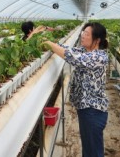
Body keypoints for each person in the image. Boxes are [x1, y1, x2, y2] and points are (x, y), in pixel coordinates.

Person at [43, 22, 109, 157]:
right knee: (88, 147)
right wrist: (45, 38)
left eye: (86, 34)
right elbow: (66, 48)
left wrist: (49, 43)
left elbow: (73, 58)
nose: (82, 36)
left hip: (93, 110)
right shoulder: (84, 50)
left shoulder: (99, 57)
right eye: (82, 33)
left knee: (93, 152)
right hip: (86, 109)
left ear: (97, 40)